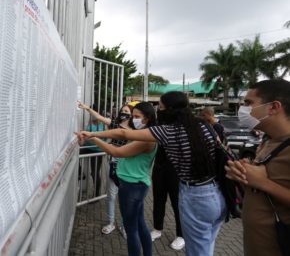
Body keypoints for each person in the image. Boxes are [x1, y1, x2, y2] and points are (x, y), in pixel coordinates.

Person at [77, 91, 226, 256]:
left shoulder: (167, 131)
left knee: (197, 250)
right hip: (215, 191)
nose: (159, 111)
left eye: (160, 107)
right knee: (205, 246)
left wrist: (92, 135)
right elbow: (221, 151)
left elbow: (123, 135)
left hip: (195, 195)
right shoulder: (202, 124)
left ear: (170, 109)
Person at [225, 79, 290, 256]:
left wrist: (264, 183)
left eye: (248, 103)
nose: (243, 109)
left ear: (273, 107)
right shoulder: (268, 140)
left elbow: (264, 183)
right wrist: (244, 176)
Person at [83, 102, 157, 256]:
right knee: (141, 225)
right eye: (132, 116)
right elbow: (118, 132)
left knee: (132, 230)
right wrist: (94, 134)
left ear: (147, 118)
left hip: (132, 186)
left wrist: (92, 137)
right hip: (136, 184)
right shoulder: (143, 132)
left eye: (137, 117)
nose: (133, 119)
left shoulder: (146, 138)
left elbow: (116, 151)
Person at [78, 101, 132, 236]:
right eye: (123, 111)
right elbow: (99, 117)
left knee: (125, 199)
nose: (124, 114)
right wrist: (87, 108)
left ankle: (125, 225)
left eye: (127, 112)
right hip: (114, 165)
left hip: (128, 168)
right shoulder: (114, 124)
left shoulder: (136, 131)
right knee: (111, 196)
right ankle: (110, 222)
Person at [150, 145, 185, 250]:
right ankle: (157, 228)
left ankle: (181, 235)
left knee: (177, 203)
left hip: (177, 169)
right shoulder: (160, 128)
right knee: (158, 199)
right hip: (160, 166)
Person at [80, 115, 106, 196]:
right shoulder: (89, 124)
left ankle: (96, 194)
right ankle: (80, 173)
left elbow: (106, 137)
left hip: (98, 151)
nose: (93, 117)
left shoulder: (104, 126)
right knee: (74, 155)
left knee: (94, 173)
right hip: (87, 148)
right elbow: (84, 136)